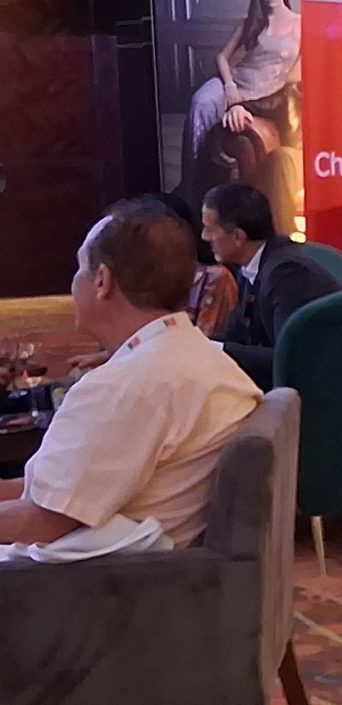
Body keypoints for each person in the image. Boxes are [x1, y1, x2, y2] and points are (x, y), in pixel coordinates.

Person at [0, 201, 259, 550]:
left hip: (85, 579)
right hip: (132, 567)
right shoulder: (195, 356)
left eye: (79, 268)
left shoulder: (126, 385)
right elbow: (53, 492)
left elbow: (43, 522)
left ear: (102, 281)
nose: (73, 282)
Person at [203, 182, 342, 390]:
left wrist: (215, 349)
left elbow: (290, 357)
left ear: (238, 237)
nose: (204, 237)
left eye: (209, 229)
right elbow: (236, 335)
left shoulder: (287, 274)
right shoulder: (249, 267)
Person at [188, 0, 302, 213]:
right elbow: (222, 57)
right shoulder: (251, 23)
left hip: (262, 94)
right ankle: (192, 183)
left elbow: (296, 76)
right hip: (232, 83)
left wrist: (243, 105)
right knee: (201, 102)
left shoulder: (301, 24)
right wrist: (229, 87)